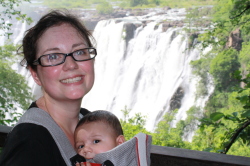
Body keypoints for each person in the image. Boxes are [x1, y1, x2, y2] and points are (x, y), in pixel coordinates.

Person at [0, 9, 96, 166]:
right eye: (53, 56)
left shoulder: (91, 121)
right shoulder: (28, 143)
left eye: (79, 52)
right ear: (35, 74)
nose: (71, 65)